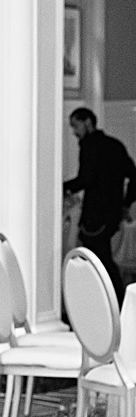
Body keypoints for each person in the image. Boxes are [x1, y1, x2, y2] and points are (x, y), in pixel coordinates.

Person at [64, 106, 136, 298]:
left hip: (95, 215)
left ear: (88, 122)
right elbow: (134, 176)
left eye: (75, 126)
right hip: (111, 214)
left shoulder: (89, 145)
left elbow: (87, 178)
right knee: (100, 257)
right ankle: (112, 300)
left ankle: (113, 300)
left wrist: (62, 188)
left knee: (97, 258)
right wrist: (125, 203)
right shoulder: (115, 145)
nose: (74, 132)